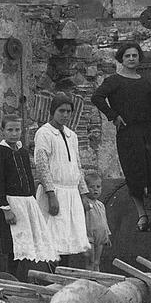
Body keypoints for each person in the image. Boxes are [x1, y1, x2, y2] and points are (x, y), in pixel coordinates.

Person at [92, 41, 151, 233]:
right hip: (128, 133)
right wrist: (114, 116)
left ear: (139, 58)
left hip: (148, 130)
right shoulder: (113, 80)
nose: (131, 59)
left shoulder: (144, 81)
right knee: (134, 172)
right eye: (127, 56)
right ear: (122, 58)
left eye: (134, 56)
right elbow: (96, 97)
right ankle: (141, 215)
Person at [0, 116, 57, 279]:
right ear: (3, 131)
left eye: (17, 130)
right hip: (12, 204)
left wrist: (32, 202)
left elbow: (28, 176)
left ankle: (30, 278)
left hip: (27, 203)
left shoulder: (23, 152)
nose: (14, 134)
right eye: (10, 130)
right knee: (15, 245)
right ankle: (12, 278)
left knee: (30, 242)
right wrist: (6, 209)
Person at [33, 94, 93, 268]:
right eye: (61, 111)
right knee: (53, 238)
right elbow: (42, 165)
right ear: (53, 111)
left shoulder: (71, 135)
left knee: (69, 238)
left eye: (68, 111)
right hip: (55, 192)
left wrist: (83, 194)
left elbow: (77, 166)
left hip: (71, 193)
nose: (65, 115)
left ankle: (63, 276)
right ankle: (49, 278)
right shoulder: (44, 133)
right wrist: (51, 195)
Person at [84, 173, 111, 271]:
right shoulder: (85, 203)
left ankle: (97, 278)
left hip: (100, 237)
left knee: (97, 261)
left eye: (98, 187)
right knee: (90, 260)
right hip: (89, 236)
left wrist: (107, 235)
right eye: (91, 187)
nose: (95, 189)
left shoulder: (101, 205)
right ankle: (89, 278)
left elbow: (104, 221)